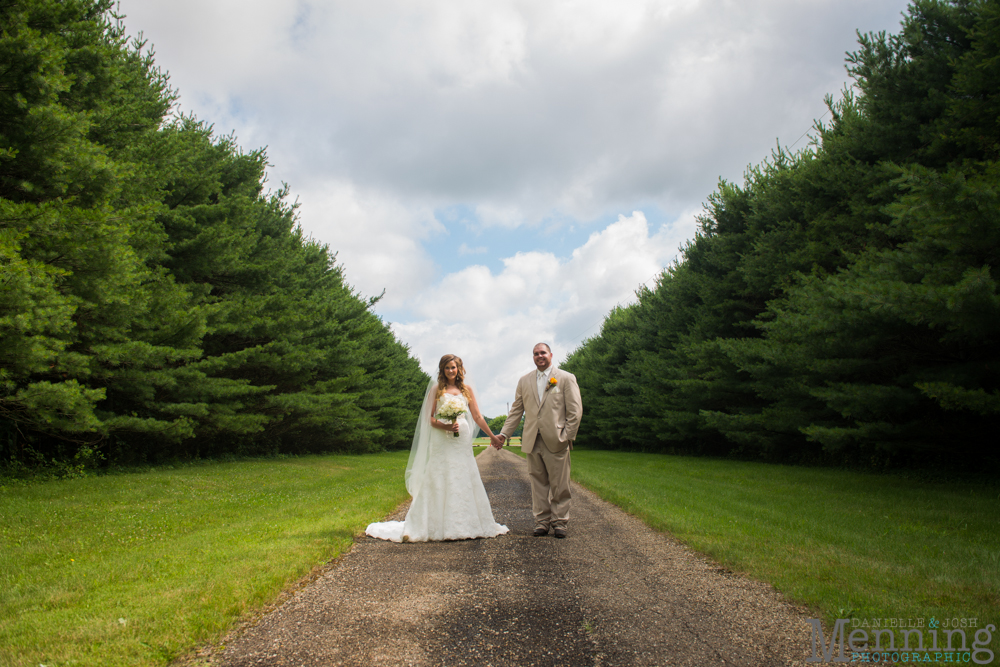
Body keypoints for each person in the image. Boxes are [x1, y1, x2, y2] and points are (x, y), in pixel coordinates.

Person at [365, 354, 508, 542]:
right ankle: (434, 523)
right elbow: (429, 418)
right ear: (442, 370)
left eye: (453, 367)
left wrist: (492, 437)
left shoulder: (467, 390)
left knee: (464, 473)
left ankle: (467, 522)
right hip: (443, 437)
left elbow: (477, 416)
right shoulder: (436, 390)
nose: (451, 371)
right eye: (447, 367)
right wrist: (446, 426)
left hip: (461, 439)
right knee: (440, 472)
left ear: (459, 369)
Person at [495, 343, 582, 538]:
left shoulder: (566, 378)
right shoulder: (524, 380)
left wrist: (566, 436)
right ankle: (542, 522)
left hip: (557, 439)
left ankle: (560, 522)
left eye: (543, 353)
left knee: (560, 484)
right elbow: (517, 410)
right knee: (538, 483)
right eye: (536, 354)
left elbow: (575, 411)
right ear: (532, 357)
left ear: (551, 354)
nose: (539, 356)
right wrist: (504, 434)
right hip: (532, 440)